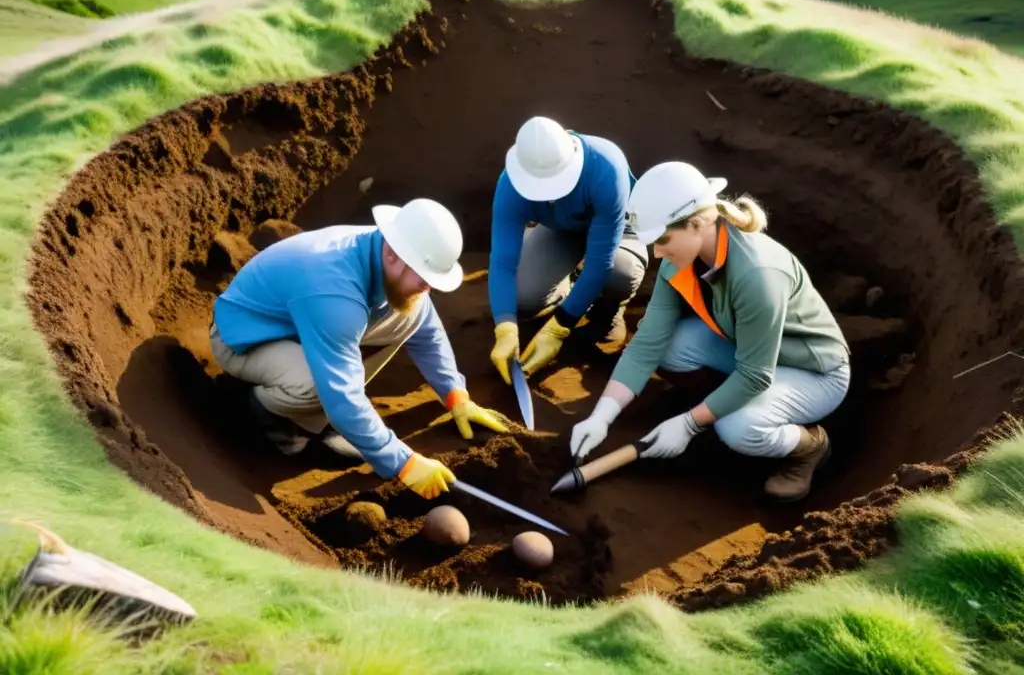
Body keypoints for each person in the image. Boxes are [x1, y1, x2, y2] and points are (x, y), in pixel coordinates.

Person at [568, 161, 851, 501]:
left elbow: (755, 376)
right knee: (669, 347)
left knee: (739, 427)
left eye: (663, 240)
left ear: (697, 224)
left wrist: (688, 424)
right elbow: (647, 344)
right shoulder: (681, 258)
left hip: (813, 373)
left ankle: (809, 447)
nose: (657, 253)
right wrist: (602, 416)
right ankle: (716, 409)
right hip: (749, 351)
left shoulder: (757, 275)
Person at [208, 198, 509, 500]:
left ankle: (315, 416)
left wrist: (456, 395)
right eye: (425, 276)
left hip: (303, 325)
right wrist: (402, 463)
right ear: (393, 255)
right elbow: (342, 393)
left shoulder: (392, 254)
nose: (429, 287)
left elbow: (426, 328)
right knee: (317, 386)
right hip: (244, 339)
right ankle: (266, 416)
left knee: (408, 315)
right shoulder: (334, 290)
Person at [488, 115, 649, 384]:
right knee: (523, 299)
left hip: (619, 229)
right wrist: (504, 326)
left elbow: (601, 262)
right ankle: (570, 292)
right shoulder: (510, 182)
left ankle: (607, 312)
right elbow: (503, 261)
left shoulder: (606, 166)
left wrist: (559, 328)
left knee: (621, 272)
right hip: (562, 228)